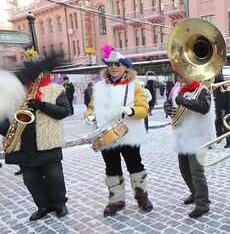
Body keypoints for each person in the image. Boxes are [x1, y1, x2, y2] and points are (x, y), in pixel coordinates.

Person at [0, 54, 70, 221]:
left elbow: (64, 111)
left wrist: (42, 105)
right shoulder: (13, 90)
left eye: (42, 72)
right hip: (22, 145)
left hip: (47, 143)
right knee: (31, 180)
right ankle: (43, 206)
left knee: (55, 177)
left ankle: (59, 204)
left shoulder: (56, 90)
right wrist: (9, 131)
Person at [86, 46, 153, 217]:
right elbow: (91, 107)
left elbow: (143, 109)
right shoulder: (99, 86)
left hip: (128, 133)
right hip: (106, 135)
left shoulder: (135, 86)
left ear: (125, 67)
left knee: (135, 166)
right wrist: (90, 116)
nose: (114, 67)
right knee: (111, 168)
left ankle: (142, 196)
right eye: (110, 64)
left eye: (118, 64)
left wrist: (130, 111)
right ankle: (116, 200)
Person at [164, 76, 214, 218]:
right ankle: (195, 193)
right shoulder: (177, 88)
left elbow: (205, 107)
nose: (180, 75)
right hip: (182, 135)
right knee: (184, 169)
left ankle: (203, 203)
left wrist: (185, 101)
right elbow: (168, 102)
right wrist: (167, 108)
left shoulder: (202, 88)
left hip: (197, 136)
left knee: (196, 171)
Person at [213, 73, 230, 148]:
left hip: (225, 110)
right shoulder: (216, 89)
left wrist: (229, 113)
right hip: (218, 109)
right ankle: (219, 138)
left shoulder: (225, 88)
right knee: (217, 124)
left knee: (226, 128)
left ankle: (229, 143)